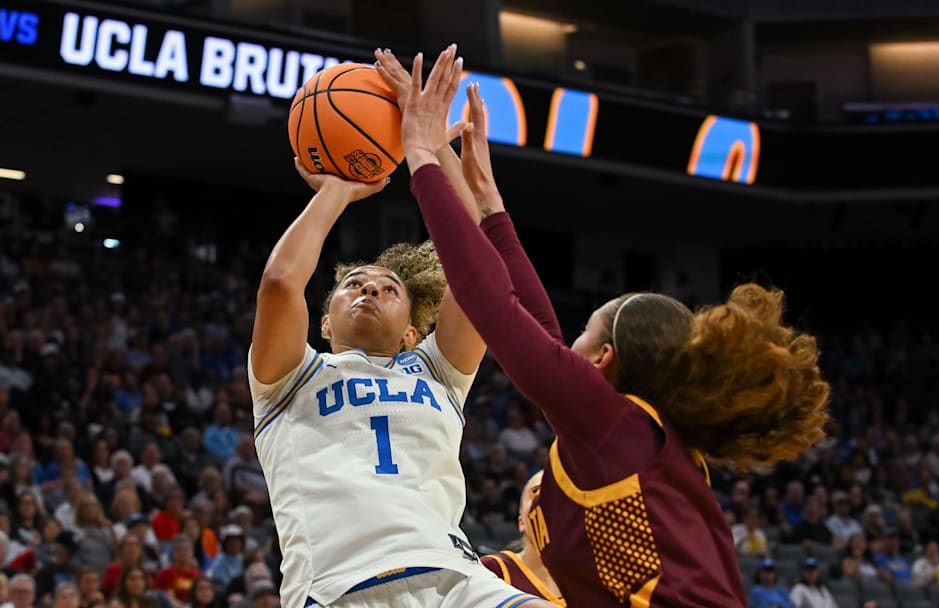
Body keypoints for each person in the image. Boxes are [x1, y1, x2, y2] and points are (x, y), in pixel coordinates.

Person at [379, 45, 830, 606]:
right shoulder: (626, 435)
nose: (568, 342)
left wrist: (421, 155)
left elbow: (489, 301)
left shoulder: (616, 427)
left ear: (604, 358)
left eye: (586, 331)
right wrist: (489, 203)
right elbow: (524, 313)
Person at [247, 44, 553, 608]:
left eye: (389, 290)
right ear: (323, 320)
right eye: (354, 285)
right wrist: (339, 186)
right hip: (344, 585)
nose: (369, 290)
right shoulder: (289, 379)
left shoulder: (438, 371)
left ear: (413, 332)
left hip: (456, 577)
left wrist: (431, 145)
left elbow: (481, 273)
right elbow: (280, 283)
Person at [480, 471, 564, 605]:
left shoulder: (590, 579)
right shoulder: (493, 569)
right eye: (537, 491)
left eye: (559, 493)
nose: (549, 500)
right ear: (521, 522)